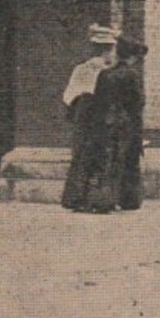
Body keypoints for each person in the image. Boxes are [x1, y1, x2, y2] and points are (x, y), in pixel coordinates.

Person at [61, 24, 119, 213]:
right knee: (103, 158)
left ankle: (77, 198)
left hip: (83, 117)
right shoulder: (111, 71)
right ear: (108, 49)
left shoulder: (81, 69)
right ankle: (100, 200)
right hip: (103, 118)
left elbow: (68, 96)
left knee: (82, 156)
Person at [99, 37, 147, 211]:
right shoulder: (133, 75)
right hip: (127, 122)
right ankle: (128, 199)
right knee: (129, 160)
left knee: (109, 159)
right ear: (132, 57)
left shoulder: (105, 74)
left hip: (107, 121)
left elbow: (99, 100)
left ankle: (105, 199)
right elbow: (139, 102)